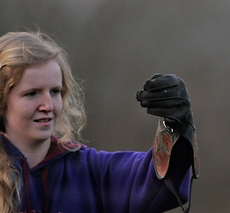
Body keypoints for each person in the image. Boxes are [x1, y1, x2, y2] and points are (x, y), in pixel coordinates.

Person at [0, 31, 199, 213]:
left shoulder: (89, 170)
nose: (48, 105)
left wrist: (175, 125)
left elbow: (153, 179)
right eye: (32, 93)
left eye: (55, 92)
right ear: (3, 100)